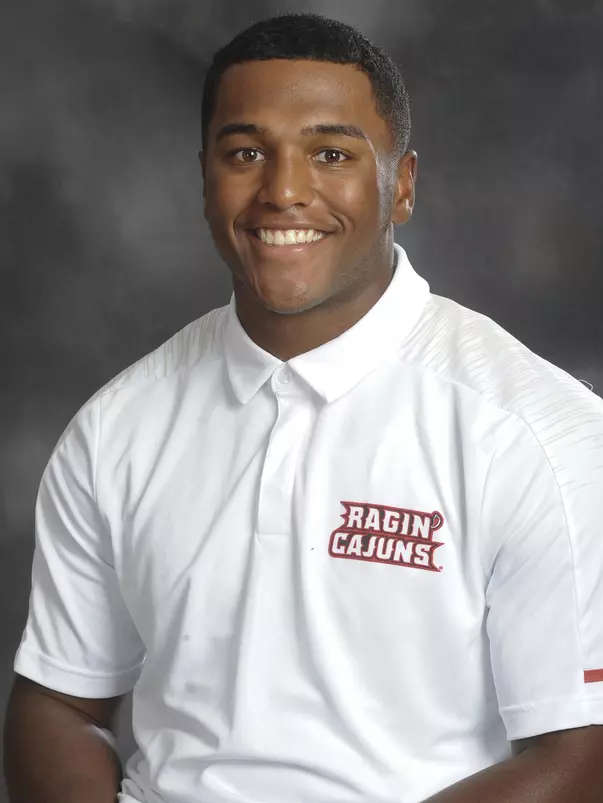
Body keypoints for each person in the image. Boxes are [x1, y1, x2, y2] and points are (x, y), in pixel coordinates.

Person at [3, 11, 603, 803]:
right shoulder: (118, 426)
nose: (283, 190)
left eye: (330, 152)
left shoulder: (536, 434)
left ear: (403, 185)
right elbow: (59, 699)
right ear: (206, 178)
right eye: (246, 152)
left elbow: (579, 754)